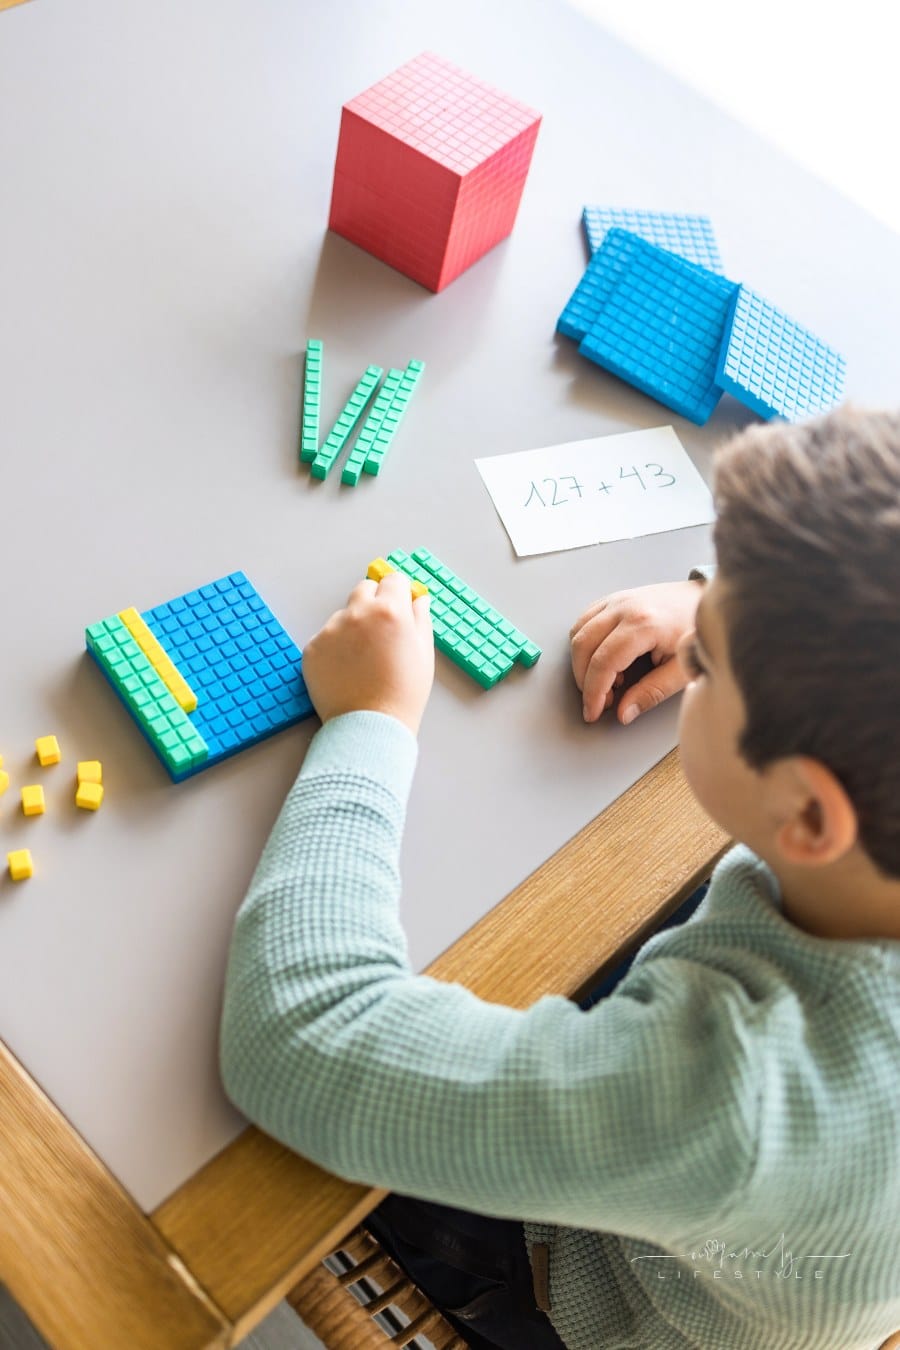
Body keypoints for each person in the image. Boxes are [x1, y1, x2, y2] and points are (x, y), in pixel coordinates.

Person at [219, 407, 900, 1350]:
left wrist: (370, 722)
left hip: (585, 1277)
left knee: (247, 1171)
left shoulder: (722, 1103)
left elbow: (303, 1041)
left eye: (711, 661)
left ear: (811, 816)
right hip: (780, 1210)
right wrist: (723, 609)